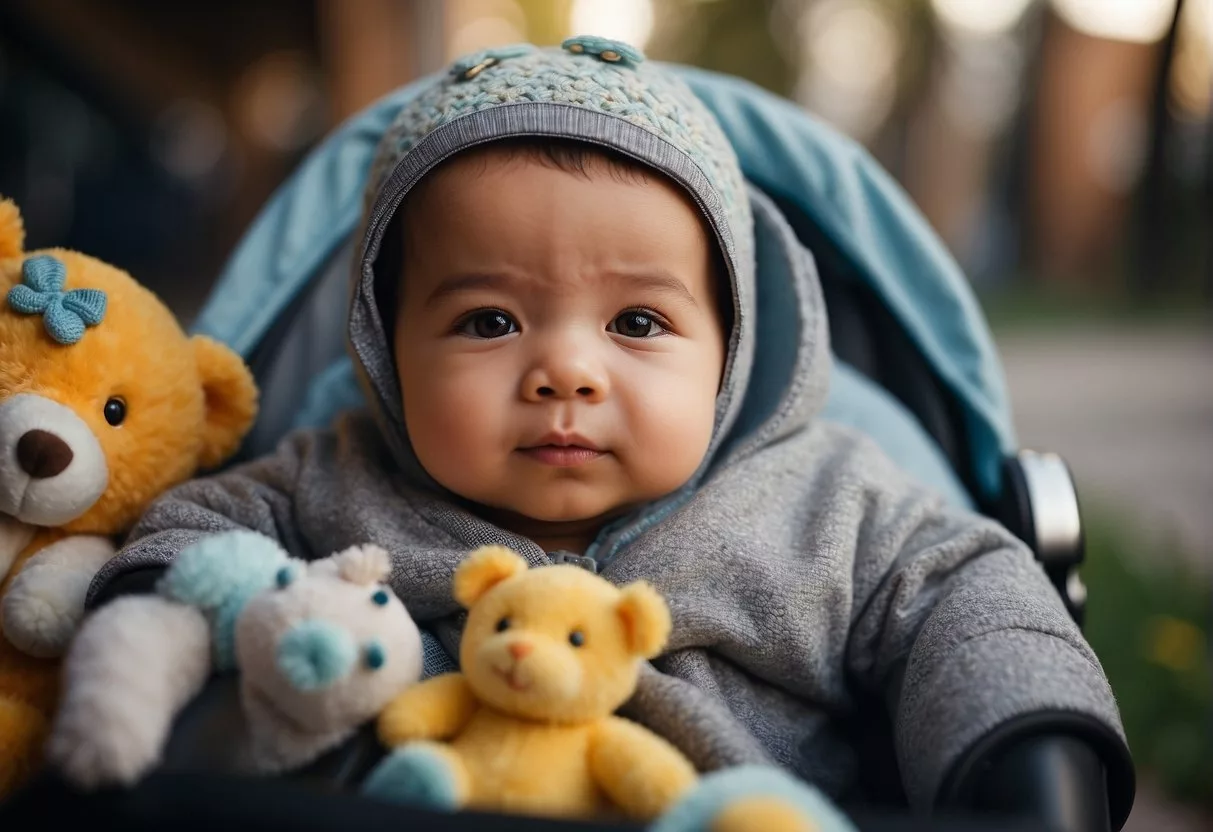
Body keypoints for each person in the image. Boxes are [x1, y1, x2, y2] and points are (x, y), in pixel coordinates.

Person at [90, 39, 1127, 817]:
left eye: (637, 322)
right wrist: (156, 616)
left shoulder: (833, 499)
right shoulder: (334, 476)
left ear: (730, 344)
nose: (565, 372)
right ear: (383, 345)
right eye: (487, 320)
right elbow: (193, 532)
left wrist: (1025, 748)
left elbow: (967, 595)